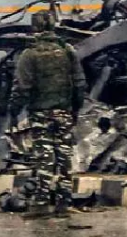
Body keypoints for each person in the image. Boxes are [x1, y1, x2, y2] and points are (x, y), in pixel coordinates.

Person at [7, 11, 86, 219]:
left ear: (35, 28)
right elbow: (80, 83)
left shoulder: (29, 54)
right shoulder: (67, 50)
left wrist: (13, 112)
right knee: (64, 157)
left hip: (41, 114)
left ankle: (41, 203)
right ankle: (63, 203)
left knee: (44, 158)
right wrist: (75, 109)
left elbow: (22, 87)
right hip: (64, 112)